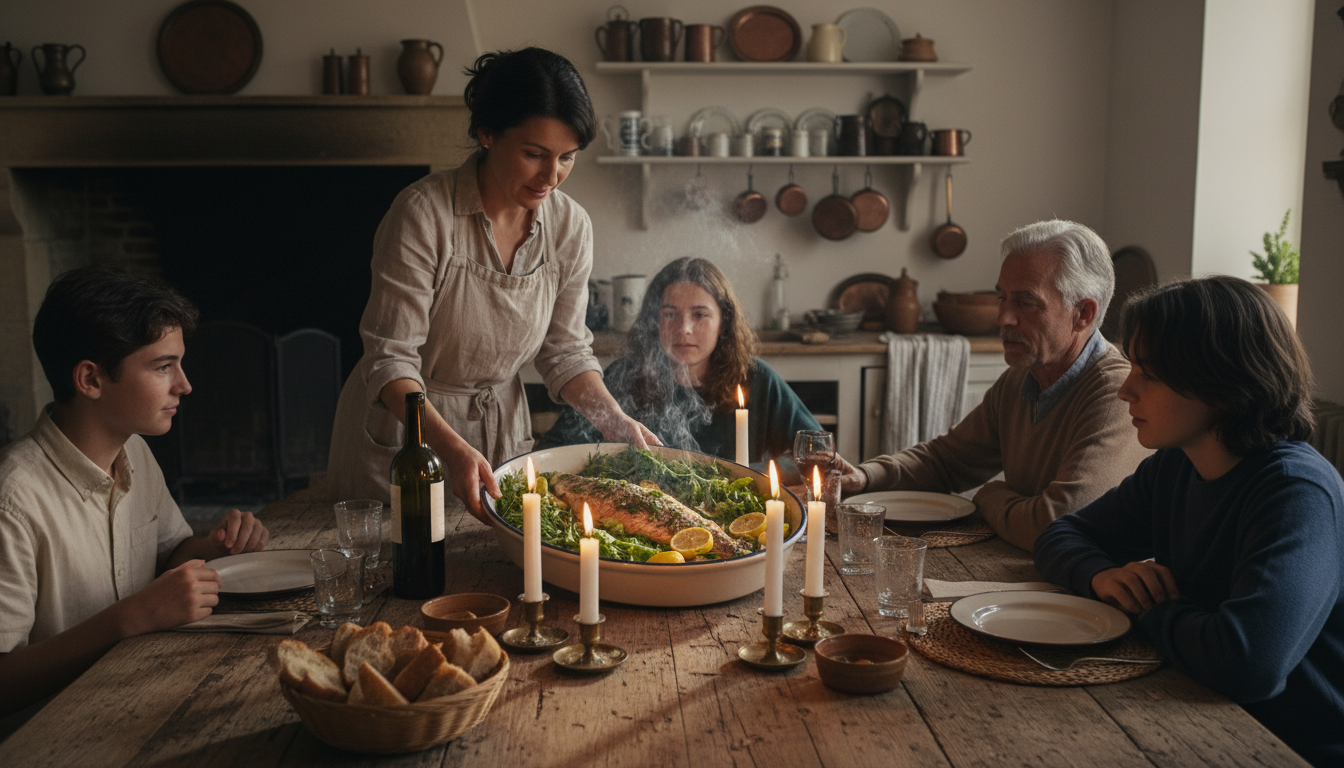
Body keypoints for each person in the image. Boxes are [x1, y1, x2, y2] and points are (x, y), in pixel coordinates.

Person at [326, 47, 656, 524]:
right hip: (406, 438)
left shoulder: (571, 227)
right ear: (487, 133)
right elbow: (390, 359)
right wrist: (451, 450)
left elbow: (564, 352)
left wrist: (616, 422)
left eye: (567, 158)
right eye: (534, 154)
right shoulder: (423, 214)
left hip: (499, 432)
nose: (551, 176)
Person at [1034, 276, 1343, 766]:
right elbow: (1062, 534)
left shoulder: (1294, 490)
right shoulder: (1177, 466)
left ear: (1221, 381)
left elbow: (1249, 663)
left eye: (1148, 374)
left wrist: (1145, 610)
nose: (1125, 390)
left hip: (1287, 744)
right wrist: (1105, 577)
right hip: (1193, 708)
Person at [0, 266, 270, 720]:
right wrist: (131, 619)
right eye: (163, 366)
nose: (184, 384)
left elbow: (167, 554)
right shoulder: (13, 501)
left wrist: (214, 547)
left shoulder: (136, 453)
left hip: (144, 697)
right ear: (90, 379)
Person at [835, 220, 1151, 550]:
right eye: (1002, 297)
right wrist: (865, 477)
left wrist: (990, 496)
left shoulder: (1116, 393)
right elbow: (946, 461)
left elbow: (1058, 523)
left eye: (1026, 302)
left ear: (1083, 313)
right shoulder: (1022, 378)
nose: (1003, 318)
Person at [540, 257, 821, 482]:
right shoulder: (624, 376)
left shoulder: (756, 379)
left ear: (724, 322)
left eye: (700, 315)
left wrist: (738, 472)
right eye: (670, 314)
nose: (684, 329)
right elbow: (552, 450)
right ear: (654, 321)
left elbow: (817, 453)